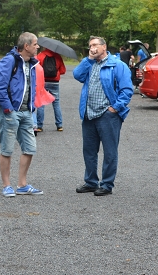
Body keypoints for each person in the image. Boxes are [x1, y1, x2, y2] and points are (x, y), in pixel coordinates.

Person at [73, 36, 134, 196]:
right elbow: (77, 75)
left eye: (95, 45)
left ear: (104, 47)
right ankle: (91, 182)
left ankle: (107, 184)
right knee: (89, 151)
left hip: (108, 115)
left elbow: (127, 90)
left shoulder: (117, 65)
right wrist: (88, 59)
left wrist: (115, 108)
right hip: (89, 114)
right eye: (90, 46)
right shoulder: (90, 64)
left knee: (110, 152)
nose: (92, 48)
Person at [0, 32, 41, 197]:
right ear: (26, 46)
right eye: (35, 44)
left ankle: (22, 185)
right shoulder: (9, 61)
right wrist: (8, 109)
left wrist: (31, 107)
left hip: (26, 112)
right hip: (10, 112)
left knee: (30, 148)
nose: (38, 47)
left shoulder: (32, 63)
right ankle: (6, 186)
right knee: (7, 149)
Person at [35, 47, 66, 132]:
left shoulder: (40, 55)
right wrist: (56, 72)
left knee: (41, 103)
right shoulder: (57, 56)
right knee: (56, 103)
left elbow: (36, 68)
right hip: (55, 82)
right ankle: (59, 125)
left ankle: (39, 126)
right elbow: (63, 71)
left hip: (43, 82)